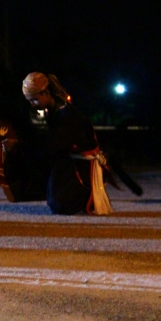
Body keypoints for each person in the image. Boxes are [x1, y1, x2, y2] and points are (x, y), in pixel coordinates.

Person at [22, 72, 113, 215]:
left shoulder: (67, 114)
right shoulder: (55, 111)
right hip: (69, 158)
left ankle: (83, 195)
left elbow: (53, 146)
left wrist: (22, 146)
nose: (32, 104)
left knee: (61, 205)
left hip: (81, 165)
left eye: (34, 99)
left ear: (45, 93)